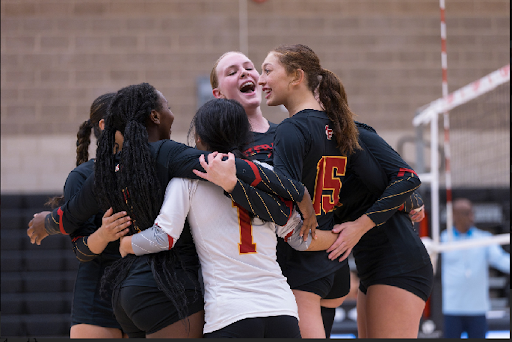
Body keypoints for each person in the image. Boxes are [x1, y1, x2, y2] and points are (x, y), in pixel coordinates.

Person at [27, 82, 317, 337]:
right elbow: (230, 167)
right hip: (171, 290)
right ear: (154, 116)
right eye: (167, 107)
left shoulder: (104, 174)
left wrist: (46, 224)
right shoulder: (169, 154)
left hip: (125, 294)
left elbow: (69, 217)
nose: (172, 113)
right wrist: (297, 191)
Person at [209, 50, 426, 338]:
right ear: (217, 93)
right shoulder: (225, 150)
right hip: (313, 263)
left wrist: (408, 199)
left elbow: (390, 177)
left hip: (308, 264)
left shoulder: (295, 131)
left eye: (253, 67)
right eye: (233, 71)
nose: (250, 75)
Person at [119, 98, 342, 338]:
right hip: (282, 311)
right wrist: (343, 236)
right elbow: (300, 239)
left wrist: (126, 244)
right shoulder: (266, 173)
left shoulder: (187, 181)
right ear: (247, 138)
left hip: (230, 315)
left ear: (199, 139)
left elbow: (164, 237)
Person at [43, 92, 127, 338]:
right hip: (97, 297)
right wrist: (104, 233)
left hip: (142, 293)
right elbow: (80, 250)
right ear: (104, 125)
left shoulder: (148, 168)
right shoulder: (81, 176)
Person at [441, 197, 510, 338]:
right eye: (466, 213)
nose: (471, 217)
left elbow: (502, 260)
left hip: (477, 309)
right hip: (452, 309)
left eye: (472, 212)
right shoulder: (443, 240)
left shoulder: (484, 239)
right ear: (454, 215)